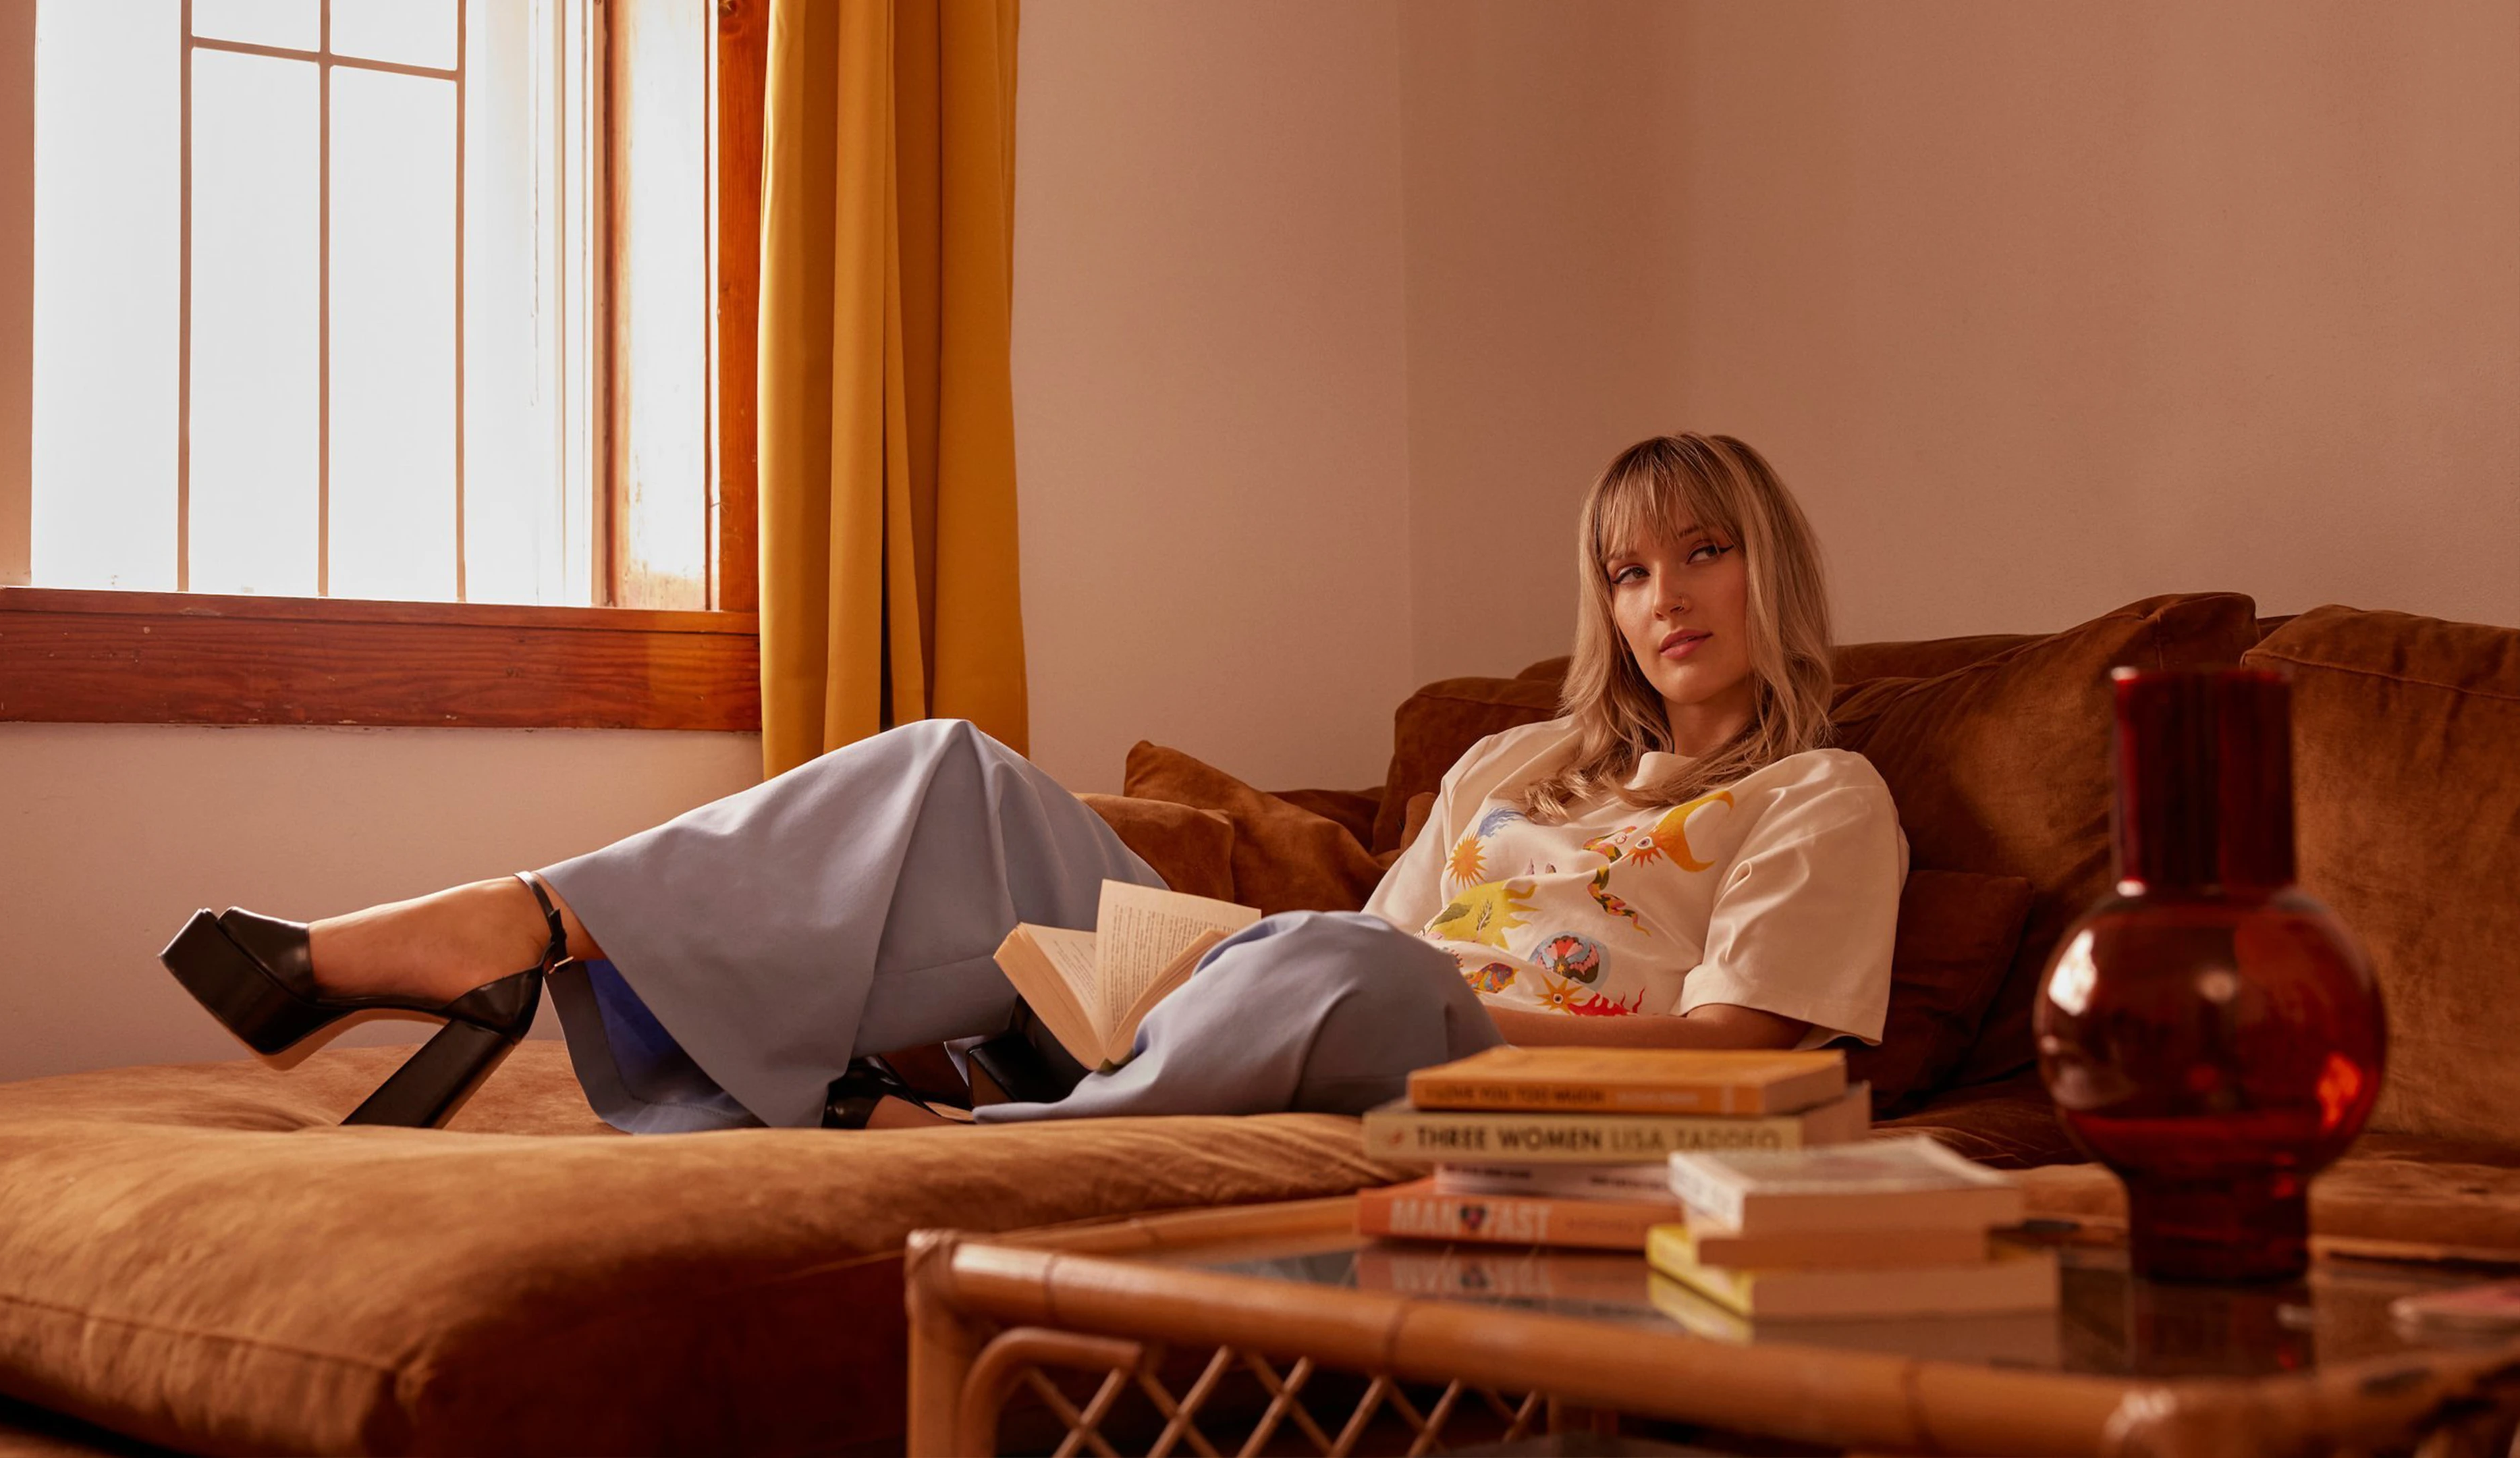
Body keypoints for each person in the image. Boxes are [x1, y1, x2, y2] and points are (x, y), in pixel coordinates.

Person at [159, 433, 1907, 1134]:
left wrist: (1456, 1021)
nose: (1664, 599)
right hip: (1314, 995)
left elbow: (1770, 1049)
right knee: (948, 771)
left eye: (1702, 554)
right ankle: (513, 922)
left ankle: (962, 1136)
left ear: (1771, 569)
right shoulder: (1511, 758)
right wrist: (1280, 960)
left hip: (1487, 1068)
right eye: (1624, 570)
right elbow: (1370, 927)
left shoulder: (1823, 796)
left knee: (1349, 965)